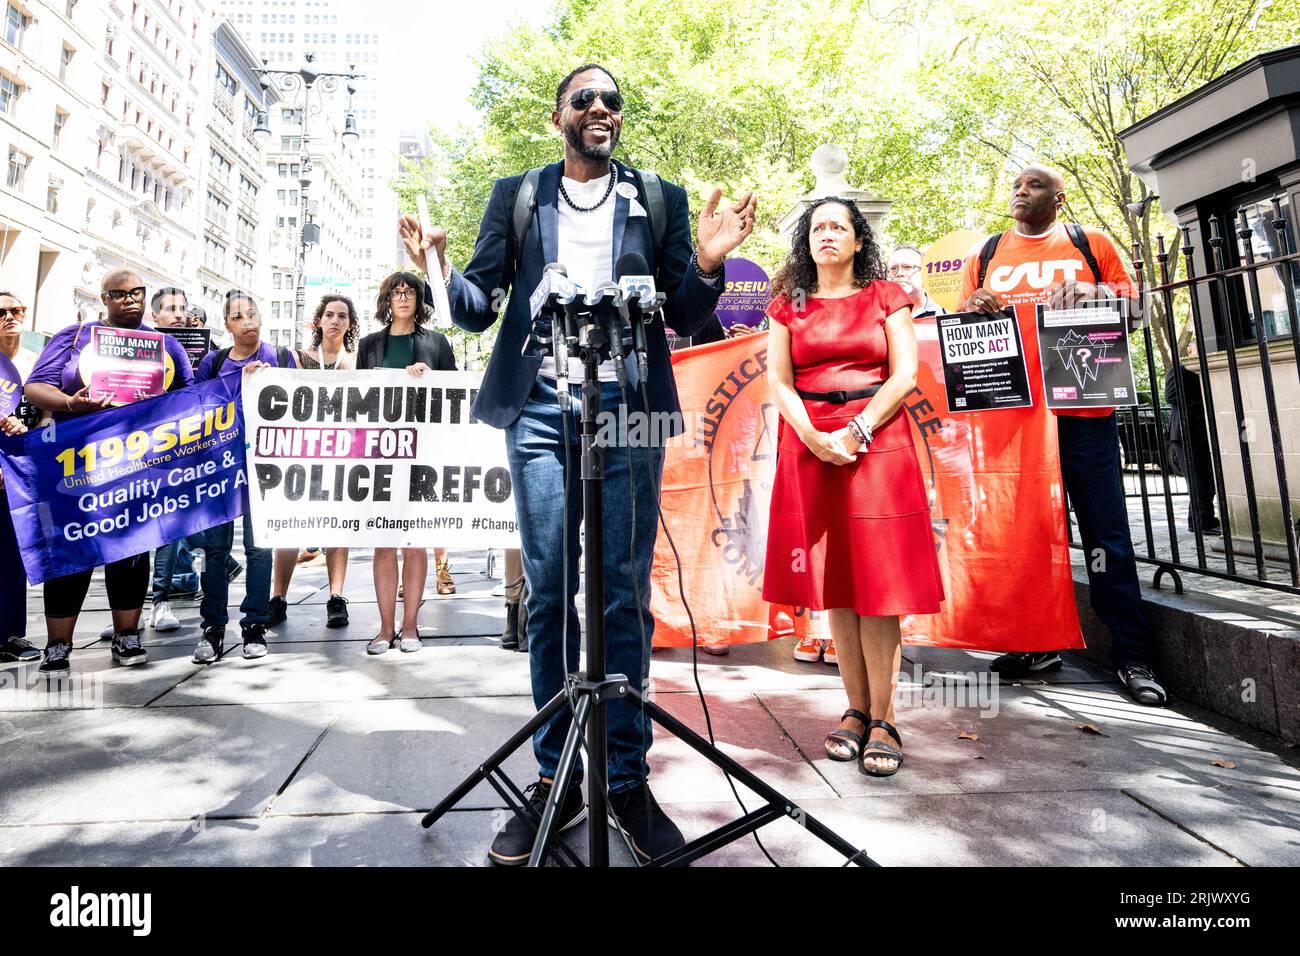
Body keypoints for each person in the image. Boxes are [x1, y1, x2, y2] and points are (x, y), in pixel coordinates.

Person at [400, 61, 756, 863]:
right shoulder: (517, 195)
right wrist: (437, 266)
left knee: (624, 592)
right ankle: (556, 774)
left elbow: (688, 311)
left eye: (613, 101)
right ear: (557, 115)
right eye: (585, 99)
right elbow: (477, 308)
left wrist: (706, 259)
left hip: (626, 407)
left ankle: (626, 781)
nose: (601, 108)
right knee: (553, 587)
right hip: (538, 409)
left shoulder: (654, 197)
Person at [959, 164, 1167, 706]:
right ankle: (1036, 645)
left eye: (1033, 185)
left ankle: (1132, 655)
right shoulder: (985, 254)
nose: (1020, 192)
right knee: (1024, 537)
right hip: (1014, 419)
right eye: (1015, 186)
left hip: (1084, 411)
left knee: (1107, 534)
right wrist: (973, 308)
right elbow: (962, 326)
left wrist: (1096, 292)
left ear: (1059, 196)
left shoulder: (1089, 243)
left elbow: (1140, 312)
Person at [763, 197, 943, 777]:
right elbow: (779, 381)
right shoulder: (786, 305)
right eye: (818, 228)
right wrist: (815, 437)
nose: (828, 235)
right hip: (810, 446)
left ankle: (885, 719)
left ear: (859, 239)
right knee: (837, 577)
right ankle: (855, 710)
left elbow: (905, 374)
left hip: (878, 443)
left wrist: (859, 428)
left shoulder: (888, 296)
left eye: (839, 226)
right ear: (806, 241)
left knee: (879, 580)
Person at [23, 270, 195, 676]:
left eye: (137, 292)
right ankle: (58, 645)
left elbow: (190, 398)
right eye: (119, 293)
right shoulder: (75, 335)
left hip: (137, 463)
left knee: (131, 549)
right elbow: (35, 387)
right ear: (104, 298)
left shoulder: (166, 345)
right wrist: (70, 403)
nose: (130, 299)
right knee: (71, 553)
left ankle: (127, 635)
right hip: (76, 462)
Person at [190, 291, 296, 665]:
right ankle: (213, 627)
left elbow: (299, 407)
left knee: (259, 547)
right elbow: (195, 411)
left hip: (264, 468)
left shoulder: (281, 358)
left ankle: (254, 624)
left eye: (252, 313)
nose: (247, 322)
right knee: (216, 550)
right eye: (238, 317)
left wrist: (271, 385)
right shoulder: (212, 363)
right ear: (227, 325)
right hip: (219, 468)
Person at [357, 272, 457, 655]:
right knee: (384, 543)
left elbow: (452, 395)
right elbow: (357, 395)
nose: (403, 299)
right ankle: (385, 629)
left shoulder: (436, 343)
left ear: (419, 299)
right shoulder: (369, 344)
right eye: (396, 293)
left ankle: (411, 627)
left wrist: (428, 379)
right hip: (379, 455)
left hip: (423, 454)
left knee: (414, 542)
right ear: (387, 299)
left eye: (409, 292)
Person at [266, 295, 361, 631]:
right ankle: (278, 597)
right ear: (319, 320)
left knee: (338, 526)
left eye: (342, 316)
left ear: (350, 324)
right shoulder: (295, 358)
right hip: (301, 452)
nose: (335, 320)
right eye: (329, 315)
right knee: (290, 525)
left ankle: (336, 598)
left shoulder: (358, 361)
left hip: (342, 454)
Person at [0, 292, 40, 663]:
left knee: (14, 555)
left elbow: (47, 418)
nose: (11, 316)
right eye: (2, 312)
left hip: (21, 472)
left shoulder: (35, 364)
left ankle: (11, 634)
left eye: (17, 310)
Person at [1165, 341, 1220, 535]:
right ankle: (1202, 522)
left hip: (1202, 432)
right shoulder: (1180, 370)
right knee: (1198, 480)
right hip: (1184, 433)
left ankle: (1200, 519)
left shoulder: (1207, 369)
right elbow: (1170, 396)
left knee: (1206, 479)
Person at [887, 244, 945, 319]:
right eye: (893, 268)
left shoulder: (946, 311)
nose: (899, 273)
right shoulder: (878, 315)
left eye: (907, 267)